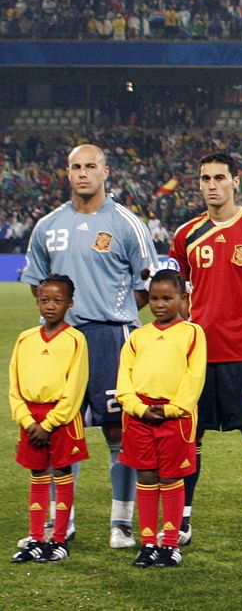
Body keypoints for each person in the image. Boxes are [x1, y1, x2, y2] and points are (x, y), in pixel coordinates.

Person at [21, 144, 156, 549]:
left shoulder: (126, 223)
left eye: (91, 166)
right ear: (68, 172)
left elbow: (145, 284)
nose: (83, 173)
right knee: (61, 428)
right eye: (76, 167)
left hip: (112, 338)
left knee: (119, 429)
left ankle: (121, 521)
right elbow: (37, 281)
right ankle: (62, 520)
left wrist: (110, 314)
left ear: (106, 172)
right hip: (64, 342)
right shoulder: (48, 225)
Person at [169, 151, 242, 551]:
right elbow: (174, 294)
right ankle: (183, 521)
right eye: (205, 178)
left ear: (235, 181)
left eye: (220, 177)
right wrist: (190, 332)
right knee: (192, 435)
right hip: (199, 358)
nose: (212, 185)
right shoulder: (186, 235)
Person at [116, 269, 204, 567]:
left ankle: (170, 543)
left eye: (168, 298)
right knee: (146, 476)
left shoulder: (193, 333)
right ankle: (148, 541)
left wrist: (171, 409)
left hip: (174, 418)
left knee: (171, 477)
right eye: (154, 298)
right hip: (139, 417)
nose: (160, 304)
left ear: (183, 299)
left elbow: (194, 378)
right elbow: (124, 381)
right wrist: (139, 408)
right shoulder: (138, 336)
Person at [8, 275, 88, 564]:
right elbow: (14, 387)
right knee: (38, 475)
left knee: (63, 472)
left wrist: (49, 423)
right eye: (45, 300)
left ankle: (59, 538)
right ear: (37, 302)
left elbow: (75, 387)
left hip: (61, 418)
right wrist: (28, 421)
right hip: (31, 419)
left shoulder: (75, 339)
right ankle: (35, 538)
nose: (50, 306)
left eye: (57, 300)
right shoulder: (25, 338)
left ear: (69, 303)